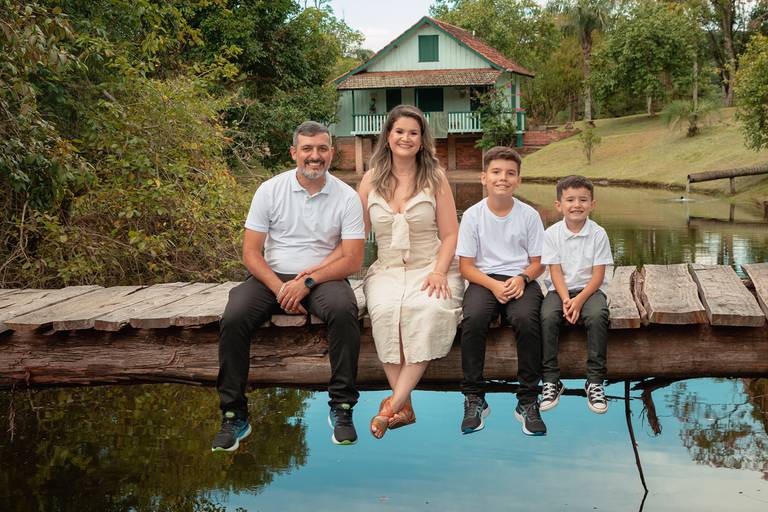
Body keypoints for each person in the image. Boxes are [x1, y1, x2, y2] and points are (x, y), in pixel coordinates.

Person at [212, 121, 365, 452]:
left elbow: (352, 260)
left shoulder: (347, 197)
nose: (315, 156)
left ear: (331, 153)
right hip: (272, 276)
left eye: (322, 149)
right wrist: (281, 287)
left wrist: (307, 282)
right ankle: (234, 414)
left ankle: (341, 407)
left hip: (323, 276)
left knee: (344, 311)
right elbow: (251, 253)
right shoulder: (270, 190)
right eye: (307, 149)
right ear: (294, 152)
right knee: (235, 316)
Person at [357, 105, 463, 439]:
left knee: (428, 309)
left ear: (421, 140)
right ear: (388, 136)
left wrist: (439, 271)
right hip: (387, 268)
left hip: (430, 265)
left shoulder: (435, 178)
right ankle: (404, 407)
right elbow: (355, 233)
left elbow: (450, 235)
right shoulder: (371, 178)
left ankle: (393, 406)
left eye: (413, 133)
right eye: (399, 131)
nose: (406, 138)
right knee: (386, 311)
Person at [456, 146, 547, 436]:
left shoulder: (529, 215)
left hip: (522, 278)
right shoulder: (472, 216)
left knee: (527, 320)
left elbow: (539, 263)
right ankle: (474, 398)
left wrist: (521, 279)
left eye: (510, 174)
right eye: (496, 172)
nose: (502, 178)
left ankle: (528, 400)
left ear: (518, 180)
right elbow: (466, 267)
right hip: (484, 279)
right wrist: (493, 285)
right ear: (484, 177)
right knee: (473, 319)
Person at [539, 175, 613, 414]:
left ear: (593, 204)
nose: (577, 205)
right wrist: (566, 300)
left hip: (589, 290)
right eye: (570, 199)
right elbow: (555, 271)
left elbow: (598, 276)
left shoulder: (598, 233)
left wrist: (579, 300)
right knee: (548, 316)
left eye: (583, 199)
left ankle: (594, 381)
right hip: (559, 290)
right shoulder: (552, 233)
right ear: (559, 205)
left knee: (598, 315)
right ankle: (551, 380)